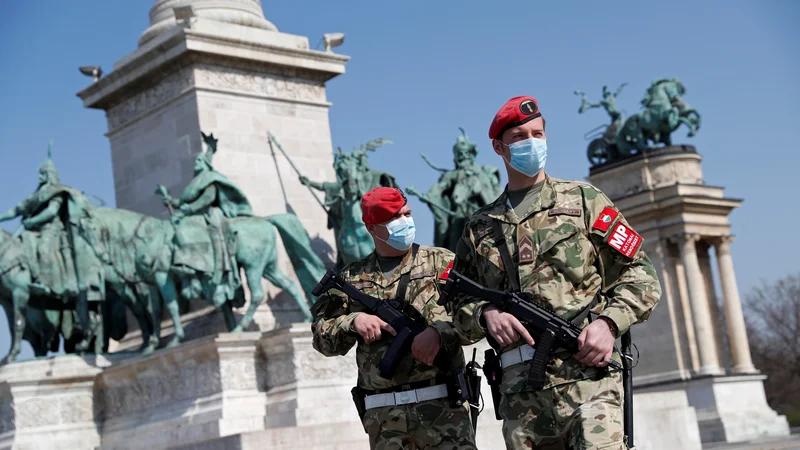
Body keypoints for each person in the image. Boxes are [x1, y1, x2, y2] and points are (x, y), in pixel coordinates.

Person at [448, 96, 662, 449]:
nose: (531, 142)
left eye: (538, 133)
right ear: (499, 147)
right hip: (520, 396)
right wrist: (485, 315)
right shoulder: (479, 227)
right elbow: (455, 301)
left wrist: (609, 323)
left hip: (590, 381)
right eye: (519, 136)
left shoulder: (585, 201)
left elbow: (641, 275)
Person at [311, 186, 476, 450]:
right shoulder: (351, 278)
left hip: (443, 411)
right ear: (372, 228)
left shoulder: (440, 262)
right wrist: (352, 322)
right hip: (385, 419)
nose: (405, 222)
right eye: (393, 218)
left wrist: (439, 332)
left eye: (407, 214)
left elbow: (474, 315)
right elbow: (322, 340)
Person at [165, 132, 253, 306]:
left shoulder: (209, 178)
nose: (196, 163)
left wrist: (187, 209)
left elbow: (208, 198)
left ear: (205, 164)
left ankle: (210, 268)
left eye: (199, 161)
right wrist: (171, 201)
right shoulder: (195, 182)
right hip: (196, 214)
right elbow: (185, 201)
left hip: (211, 214)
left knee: (186, 231)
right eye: (195, 161)